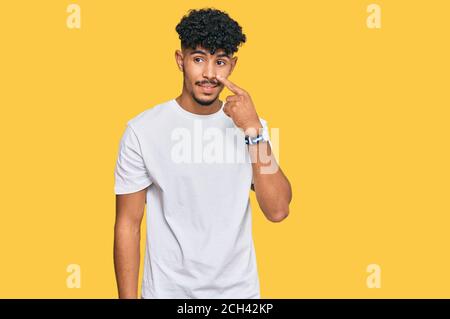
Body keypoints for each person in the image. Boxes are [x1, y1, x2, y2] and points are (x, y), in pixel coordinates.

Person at [113, 7, 292, 299]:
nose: (209, 74)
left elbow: (277, 210)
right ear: (179, 60)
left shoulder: (252, 127)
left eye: (220, 61)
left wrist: (253, 129)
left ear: (232, 66)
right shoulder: (143, 131)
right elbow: (128, 225)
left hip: (238, 297)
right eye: (198, 59)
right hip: (165, 293)